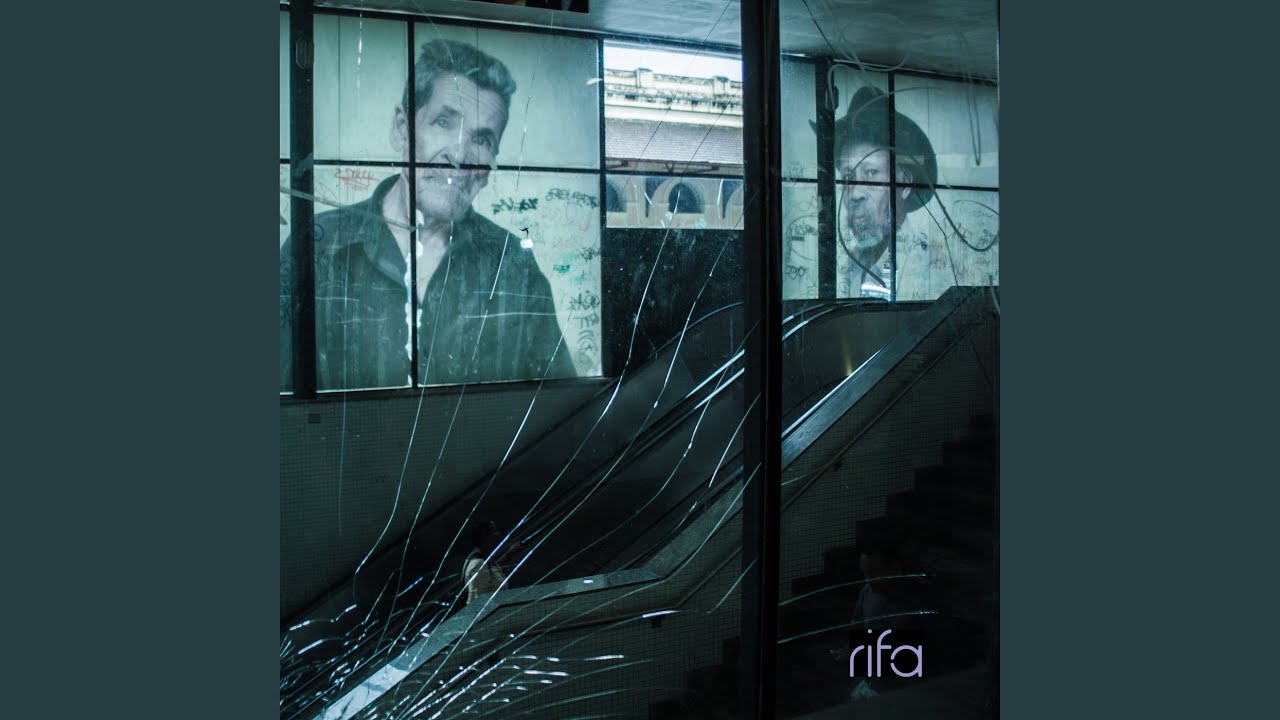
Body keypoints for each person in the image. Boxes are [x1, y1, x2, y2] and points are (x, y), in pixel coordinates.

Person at [281, 39, 577, 391]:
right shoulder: (319, 246)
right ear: (401, 129)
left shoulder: (514, 266)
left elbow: (560, 399)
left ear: (490, 167)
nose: (459, 156)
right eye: (443, 122)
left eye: (482, 140)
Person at [826, 86, 938, 299]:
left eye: (871, 173)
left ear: (905, 183)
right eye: (848, 176)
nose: (855, 193)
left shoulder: (928, 265)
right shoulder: (852, 262)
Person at [461, 521, 524, 605]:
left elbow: (491, 572)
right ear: (485, 538)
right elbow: (477, 603)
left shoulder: (484, 560)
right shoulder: (478, 564)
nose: (498, 535)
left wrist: (510, 552)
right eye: (494, 532)